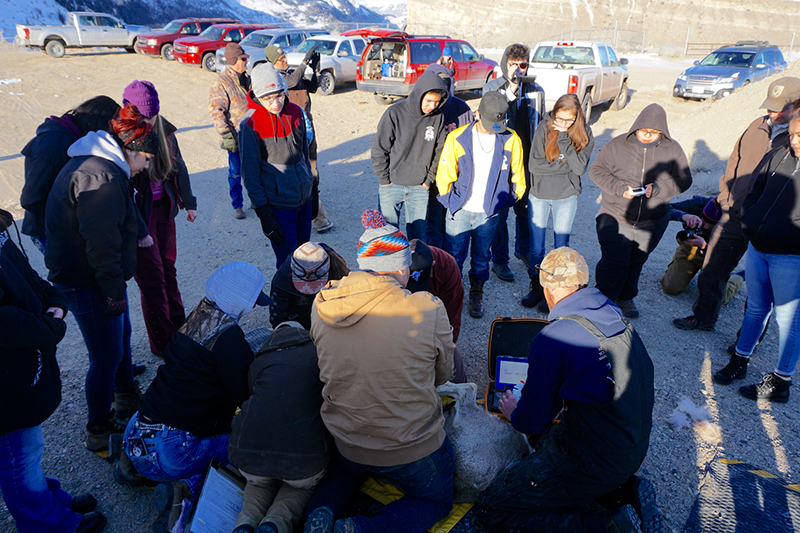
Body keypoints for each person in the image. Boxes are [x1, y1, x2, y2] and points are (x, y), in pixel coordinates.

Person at [476, 247, 655, 533]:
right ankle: (621, 491)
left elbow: (533, 420)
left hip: (594, 458)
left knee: (494, 506)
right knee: (548, 450)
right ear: (581, 283)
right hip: (631, 445)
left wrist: (514, 413)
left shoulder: (555, 337)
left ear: (546, 286)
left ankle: (607, 525)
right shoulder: (613, 314)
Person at [303, 210, 455, 533]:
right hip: (409, 447)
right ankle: (363, 529)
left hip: (347, 440)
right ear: (401, 267)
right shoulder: (427, 308)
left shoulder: (323, 303)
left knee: (344, 474)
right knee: (437, 500)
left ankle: (320, 513)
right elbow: (442, 376)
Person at [121, 262, 269, 532]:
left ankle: (129, 463)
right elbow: (247, 397)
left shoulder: (197, 317)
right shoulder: (228, 338)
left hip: (136, 436)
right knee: (246, 447)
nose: (254, 307)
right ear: (237, 298)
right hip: (170, 452)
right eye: (252, 300)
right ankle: (185, 492)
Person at [45, 104, 158, 451]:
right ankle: (99, 428)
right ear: (132, 150)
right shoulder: (103, 178)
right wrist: (112, 293)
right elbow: (101, 245)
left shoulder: (104, 166)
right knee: (105, 357)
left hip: (93, 277)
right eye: (147, 159)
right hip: (87, 281)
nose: (147, 165)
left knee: (120, 337)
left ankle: (125, 396)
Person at [0, 209, 106, 533]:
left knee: (26, 449)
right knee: (17, 453)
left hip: (21, 362)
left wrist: (55, 299)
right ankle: (44, 522)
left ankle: (41, 498)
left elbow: (27, 274)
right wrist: (50, 327)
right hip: (6, 377)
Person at [674, 77, 800, 331]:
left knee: (762, 290)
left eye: (781, 108)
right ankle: (704, 318)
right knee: (712, 269)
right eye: (770, 106)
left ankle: (745, 343)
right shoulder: (756, 127)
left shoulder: (795, 138)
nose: (772, 112)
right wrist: (725, 198)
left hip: (773, 224)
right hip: (734, 213)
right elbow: (734, 160)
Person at [712, 112, 800, 401]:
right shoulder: (778, 154)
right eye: (794, 134)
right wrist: (750, 217)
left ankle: (781, 382)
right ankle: (740, 360)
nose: (795, 141)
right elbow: (756, 188)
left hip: (791, 256)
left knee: (788, 320)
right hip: (758, 247)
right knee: (755, 309)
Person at [589, 103, 692, 318]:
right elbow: (597, 171)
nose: (647, 135)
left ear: (661, 132)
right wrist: (618, 188)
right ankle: (603, 299)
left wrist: (658, 189)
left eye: (654, 133)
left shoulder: (672, 149)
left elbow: (685, 179)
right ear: (637, 126)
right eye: (644, 130)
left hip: (652, 221)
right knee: (613, 261)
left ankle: (626, 297)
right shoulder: (617, 145)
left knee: (636, 261)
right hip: (615, 214)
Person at [229, 321, 330, 533]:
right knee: (299, 489)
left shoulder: (260, 360)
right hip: (303, 463)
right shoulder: (319, 355)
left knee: (258, 485)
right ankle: (274, 524)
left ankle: (245, 524)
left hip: (251, 456)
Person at [122, 80, 198, 357]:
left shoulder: (164, 129)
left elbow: (181, 167)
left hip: (164, 208)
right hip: (139, 215)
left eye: (153, 115)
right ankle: (162, 343)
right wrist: (140, 231)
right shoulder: (123, 134)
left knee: (169, 270)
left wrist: (189, 202)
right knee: (151, 279)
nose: (150, 121)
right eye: (144, 117)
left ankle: (180, 326)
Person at [435, 91, 525, 318]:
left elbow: (518, 177)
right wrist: (450, 200)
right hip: (460, 210)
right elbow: (444, 173)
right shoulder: (457, 137)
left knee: (482, 256)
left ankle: (476, 292)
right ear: (477, 114)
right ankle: (450, 294)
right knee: (454, 255)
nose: (491, 128)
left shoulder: (511, 139)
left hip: (489, 213)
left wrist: (504, 201)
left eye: (497, 123)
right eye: (487, 123)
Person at [20, 95, 120, 253]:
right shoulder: (56, 144)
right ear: (98, 124)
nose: (111, 136)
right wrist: (69, 219)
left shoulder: (72, 135)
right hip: (50, 230)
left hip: (62, 227)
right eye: (110, 129)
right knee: (71, 276)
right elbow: (31, 199)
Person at [522, 93, 594, 311]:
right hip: (540, 194)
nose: (561, 123)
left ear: (576, 117)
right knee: (536, 248)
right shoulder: (543, 127)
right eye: (558, 118)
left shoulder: (584, 132)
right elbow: (534, 166)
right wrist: (567, 165)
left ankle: (554, 292)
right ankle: (537, 287)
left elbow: (580, 168)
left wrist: (563, 138)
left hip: (566, 196)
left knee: (561, 248)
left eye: (567, 120)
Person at [241, 62, 315, 269]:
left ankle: (307, 299)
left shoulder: (297, 112)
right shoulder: (250, 124)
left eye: (279, 95)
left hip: (304, 201)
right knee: (288, 264)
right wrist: (263, 213)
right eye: (268, 98)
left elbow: (304, 155)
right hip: (279, 208)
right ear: (257, 95)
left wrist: (313, 189)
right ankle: (286, 301)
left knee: (308, 258)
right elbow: (250, 173)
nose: (275, 103)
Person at [483, 43, 546, 283]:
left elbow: (541, 126)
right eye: (513, 65)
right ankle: (500, 260)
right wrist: (510, 89)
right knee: (499, 213)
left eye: (523, 65)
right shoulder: (492, 87)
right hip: (501, 160)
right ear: (504, 63)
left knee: (526, 211)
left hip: (529, 160)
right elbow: (494, 118)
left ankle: (524, 249)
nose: (518, 70)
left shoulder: (536, 90)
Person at [371, 69, 449, 242]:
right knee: (387, 236)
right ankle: (389, 269)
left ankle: (416, 270)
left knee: (418, 238)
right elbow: (379, 149)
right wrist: (384, 181)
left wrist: (428, 181)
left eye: (437, 102)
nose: (432, 106)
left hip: (419, 188)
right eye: (429, 101)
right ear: (419, 94)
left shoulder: (438, 117)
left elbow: (439, 151)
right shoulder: (394, 113)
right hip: (391, 185)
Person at [264, 44, 333, 234]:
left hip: (308, 128)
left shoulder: (293, 72)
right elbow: (292, 81)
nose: (285, 61)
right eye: (281, 59)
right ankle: (314, 218)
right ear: (272, 62)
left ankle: (318, 217)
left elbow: (310, 87)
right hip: (292, 131)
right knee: (300, 175)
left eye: (285, 57)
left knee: (313, 173)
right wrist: (304, 61)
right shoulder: (277, 78)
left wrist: (314, 69)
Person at [423, 63, 474, 249]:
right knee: (433, 225)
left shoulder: (462, 109)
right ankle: (435, 262)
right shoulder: (425, 108)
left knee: (453, 225)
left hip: (456, 178)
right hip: (431, 178)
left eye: (445, 83)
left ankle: (450, 265)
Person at [659, 196, 744, 303]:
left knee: (718, 299)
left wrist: (704, 246)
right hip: (689, 251)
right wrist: (684, 216)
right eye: (703, 222)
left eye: (711, 225)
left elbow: (729, 254)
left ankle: (738, 277)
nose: (706, 227)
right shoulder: (699, 203)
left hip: (715, 258)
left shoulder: (736, 221)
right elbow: (664, 210)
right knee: (670, 287)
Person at [407, 239, 467, 383]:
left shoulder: (446, 266)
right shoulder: (392, 270)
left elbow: (452, 317)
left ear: (432, 266)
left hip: (435, 323)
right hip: (405, 325)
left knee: (456, 378)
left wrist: (445, 353)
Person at [209, 43, 252, 220]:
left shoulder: (246, 78)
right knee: (235, 172)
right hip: (235, 136)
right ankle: (237, 205)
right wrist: (227, 135)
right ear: (234, 60)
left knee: (254, 170)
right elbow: (216, 111)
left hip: (252, 134)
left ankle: (257, 200)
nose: (246, 62)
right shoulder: (221, 82)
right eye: (243, 59)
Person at [268, 241, 349, 330]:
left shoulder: (338, 270)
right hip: (301, 327)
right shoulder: (282, 279)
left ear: (328, 270)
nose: (310, 288)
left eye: (316, 282)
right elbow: (278, 317)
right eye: (303, 282)